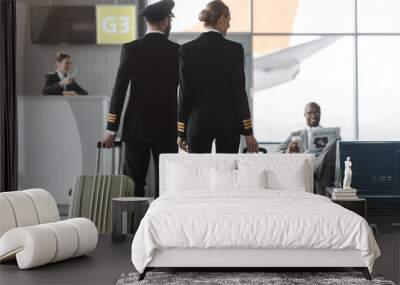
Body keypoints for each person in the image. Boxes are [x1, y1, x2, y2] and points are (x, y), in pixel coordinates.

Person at [102, 0, 179, 198]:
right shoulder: (178, 51)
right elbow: (186, 92)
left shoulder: (131, 49)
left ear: (147, 23)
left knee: (133, 183)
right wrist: (183, 130)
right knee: (168, 184)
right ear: (165, 22)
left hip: (136, 127)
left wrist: (111, 128)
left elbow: (119, 89)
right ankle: (165, 227)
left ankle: (132, 227)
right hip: (167, 127)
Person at [177, 0, 258, 153]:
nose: (229, 25)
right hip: (228, 127)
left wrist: (181, 132)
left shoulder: (187, 50)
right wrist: (248, 132)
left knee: (199, 175)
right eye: (228, 20)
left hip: (198, 125)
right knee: (227, 175)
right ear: (221, 18)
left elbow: (184, 94)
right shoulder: (234, 50)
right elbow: (239, 92)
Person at [278, 102, 341, 195]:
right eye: (310, 113)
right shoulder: (295, 135)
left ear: (320, 115)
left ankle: (314, 168)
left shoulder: (330, 134)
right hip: (304, 167)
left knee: (337, 140)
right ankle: (314, 169)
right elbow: (277, 152)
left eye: (316, 113)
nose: (313, 115)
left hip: (323, 168)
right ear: (305, 115)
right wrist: (289, 150)